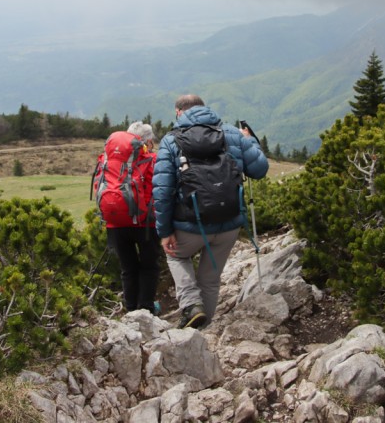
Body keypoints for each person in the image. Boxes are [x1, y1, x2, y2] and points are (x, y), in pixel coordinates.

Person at [153, 94, 269, 329]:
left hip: (189, 225)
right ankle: (201, 333)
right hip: (229, 223)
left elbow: (162, 192)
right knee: (210, 280)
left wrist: (165, 231)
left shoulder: (170, 141)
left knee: (176, 255)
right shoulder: (232, 134)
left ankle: (191, 305)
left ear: (179, 112)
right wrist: (251, 141)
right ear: (204, 109)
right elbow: (260, 169)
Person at [97, 122, 161, 314]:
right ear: (148, 142)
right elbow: (157, 190)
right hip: (145, 223)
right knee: (149, 267)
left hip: (115, 222)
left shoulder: (106, 160)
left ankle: (131, 310)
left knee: (128, 268)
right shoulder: (152, 160)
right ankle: (146, 309)